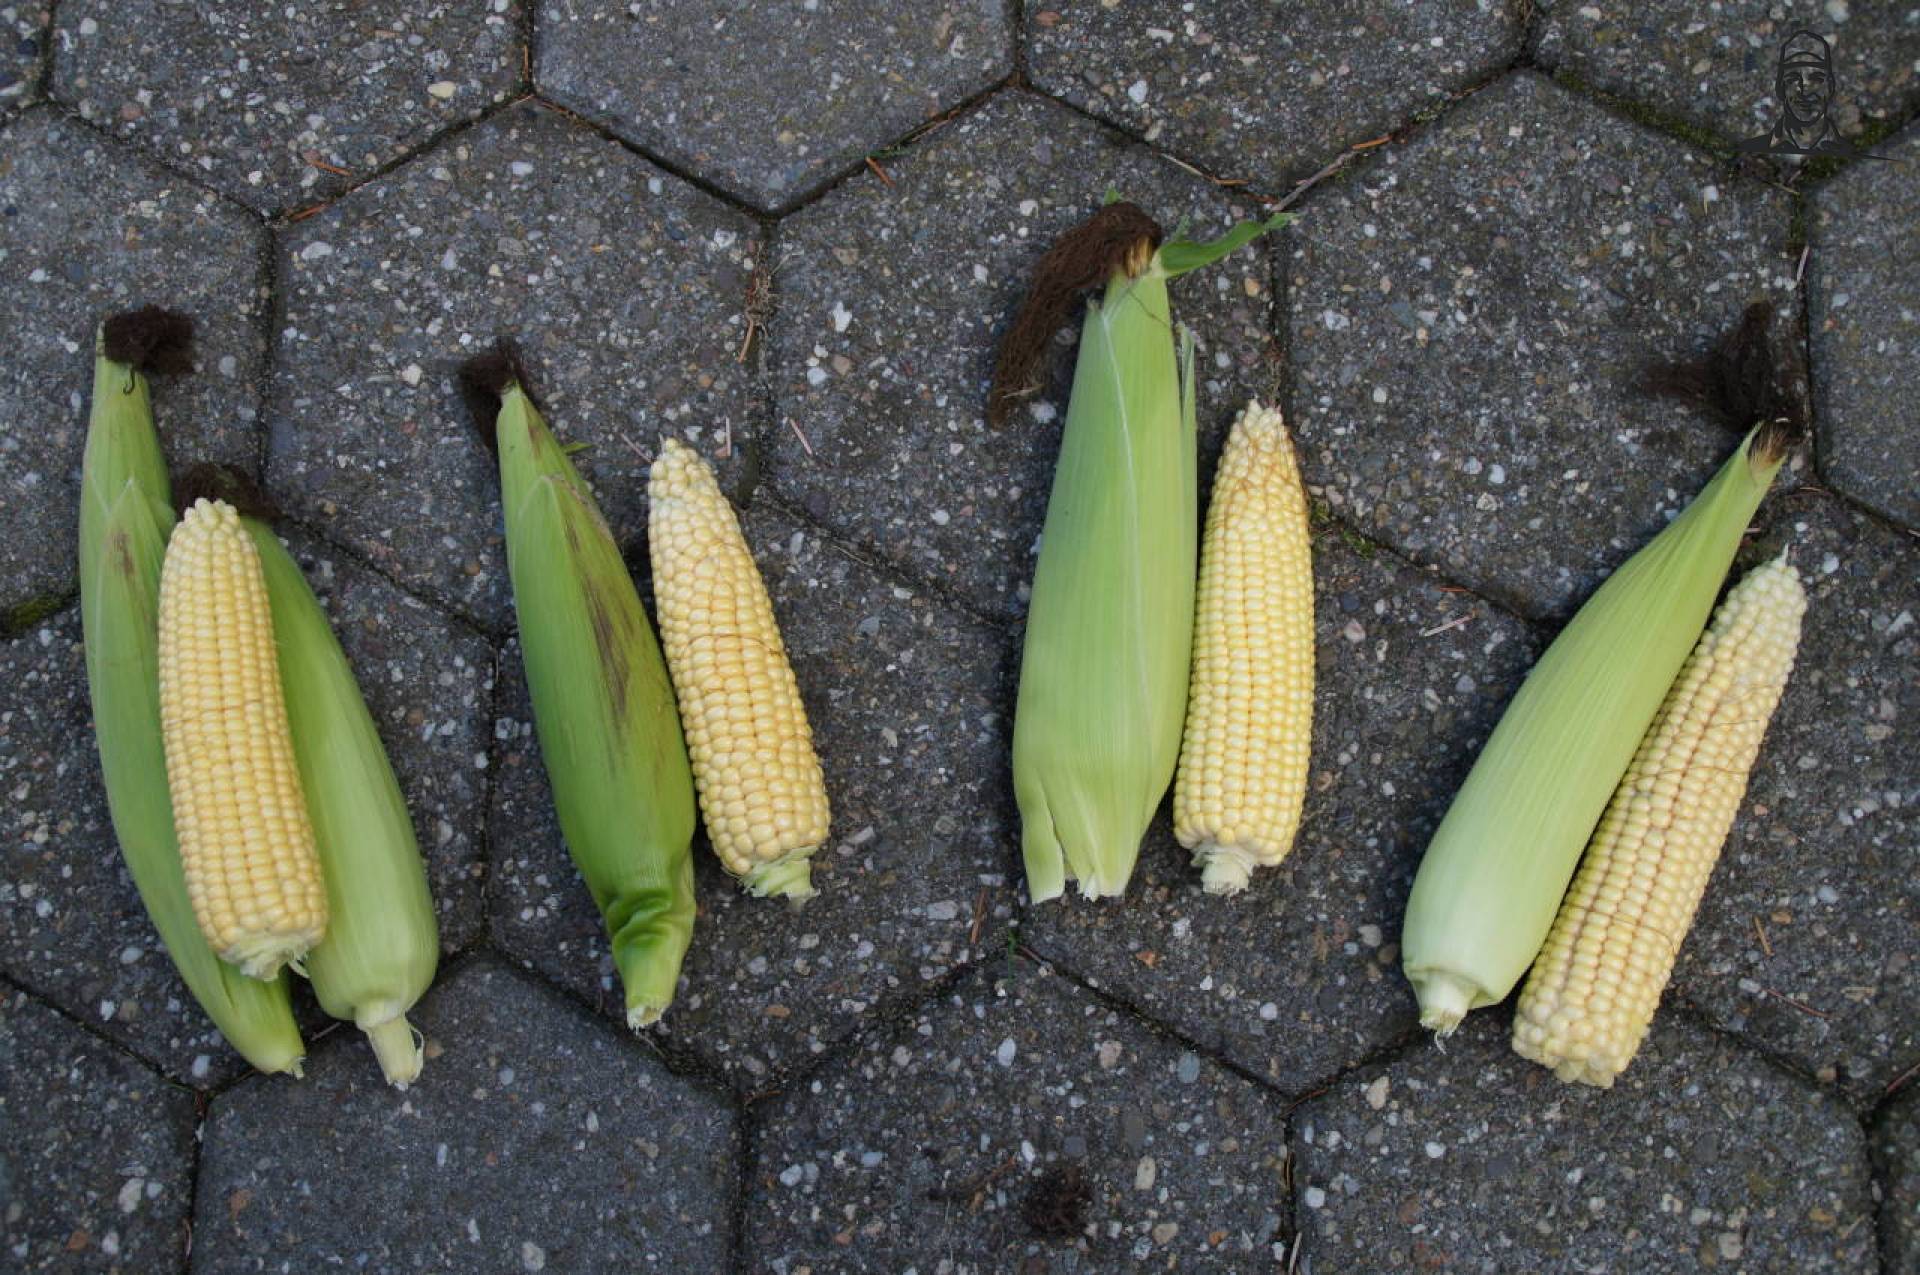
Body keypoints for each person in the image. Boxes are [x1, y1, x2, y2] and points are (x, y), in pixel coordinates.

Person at [1737, 29, 1857, 158]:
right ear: (1779, 87)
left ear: (1830, 86)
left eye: (1816, 78)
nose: (1804, 90)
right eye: (1793, 78)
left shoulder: (1847, 152)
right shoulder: (1756, 150)